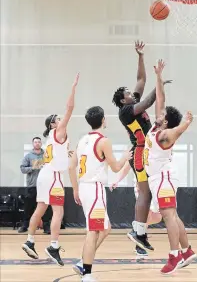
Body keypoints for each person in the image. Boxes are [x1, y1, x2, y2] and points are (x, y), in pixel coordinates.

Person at [112, 41, 171, 251]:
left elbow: (141, 79)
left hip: (146, 151)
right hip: (139, 153)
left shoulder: (131, 102)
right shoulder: (125, 111)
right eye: (127, 93)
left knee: (147, 193)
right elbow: (148, 102)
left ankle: (140, 233)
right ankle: (138, 232)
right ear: (122, 100)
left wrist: (140, 56)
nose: (131, 93)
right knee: (145, 193)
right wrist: (160, 83)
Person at [144, 59, 197, 275]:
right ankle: (187, 251)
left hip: (164, 177)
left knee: (168, 216)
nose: (159, 112)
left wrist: (186, 121)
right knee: (173, 216)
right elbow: (160, 98)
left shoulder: (165, 135)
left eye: (163, 114)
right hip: (156, 178)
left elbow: (179, 130)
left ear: (166, 122)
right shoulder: (158, 127)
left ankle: (174, 255)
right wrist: (158, 77)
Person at [21, 73, 80, 266]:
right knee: (58, 212)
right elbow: (70, 108)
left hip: (45, 175)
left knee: (40, 209)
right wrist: (73, 87)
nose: (61, 118)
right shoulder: (59, 131)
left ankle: (30, 240)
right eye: (57, 118)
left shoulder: (53, 139)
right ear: (53, 124)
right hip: (53, 176)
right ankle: (53, 246)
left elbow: (60, 154)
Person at [69, 106, 132, 282]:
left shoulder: (81, 140)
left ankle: (83, 261)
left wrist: (75, 189)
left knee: (105, 228)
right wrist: (126, 155)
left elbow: (70, 166)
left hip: (83, 187)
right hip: (94, 189)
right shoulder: (103, 141)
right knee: (94, 231)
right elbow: (116, 167)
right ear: (103, 120)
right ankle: (86, 274)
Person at [111, 161, 162, 258]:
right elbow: (127, 167)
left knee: (158, 217)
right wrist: (117, 180)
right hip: (141, 185)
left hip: (154, 184)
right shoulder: (137, 149)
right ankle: (139, 244)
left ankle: (136, 230)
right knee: (147, 214)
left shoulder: (153, 148)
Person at [19, 137, 52, 234]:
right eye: (35, 142)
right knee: (29, 206)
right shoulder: (28, 156)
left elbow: (52, 166)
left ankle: (46, 227)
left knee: (46, 206)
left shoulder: (46, 155)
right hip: (32, 185)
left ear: (41, 143)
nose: (37, 143)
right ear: (33, 144)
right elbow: (22, 169)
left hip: (44, 185)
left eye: (39, 142)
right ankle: (25, 226)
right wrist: (33, 167)